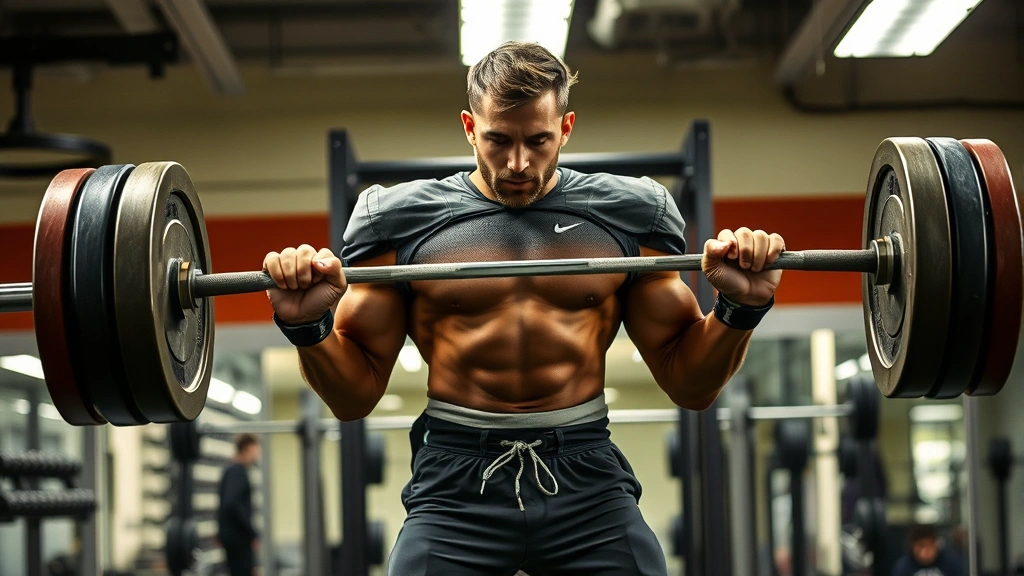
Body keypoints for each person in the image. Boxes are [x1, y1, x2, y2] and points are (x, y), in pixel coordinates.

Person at [263, 41, 785, 575]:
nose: (518, 163)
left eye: (538, 140)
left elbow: (691, 386)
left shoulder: (630, 215)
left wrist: (739, 307)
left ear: (565, 128)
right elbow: (353, 398)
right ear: (470, 127)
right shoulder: (400, 222)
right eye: (498, 140)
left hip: (586, 477)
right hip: (455, 482)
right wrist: (306, 326)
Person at [217, 433, 261, 576]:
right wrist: (251, 532)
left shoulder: (232, 470)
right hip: (239, 539)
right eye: (256, 448)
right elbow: (231, 503)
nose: (258, 453)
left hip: (234, 537)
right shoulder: (237, 472)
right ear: (248, 448)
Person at [893, 524, 967, 576]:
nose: (926, 550)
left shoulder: (951, 562)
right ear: (913, 547)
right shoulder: (904, 566)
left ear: (936, 545)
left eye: (930, 545)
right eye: (921, 545)